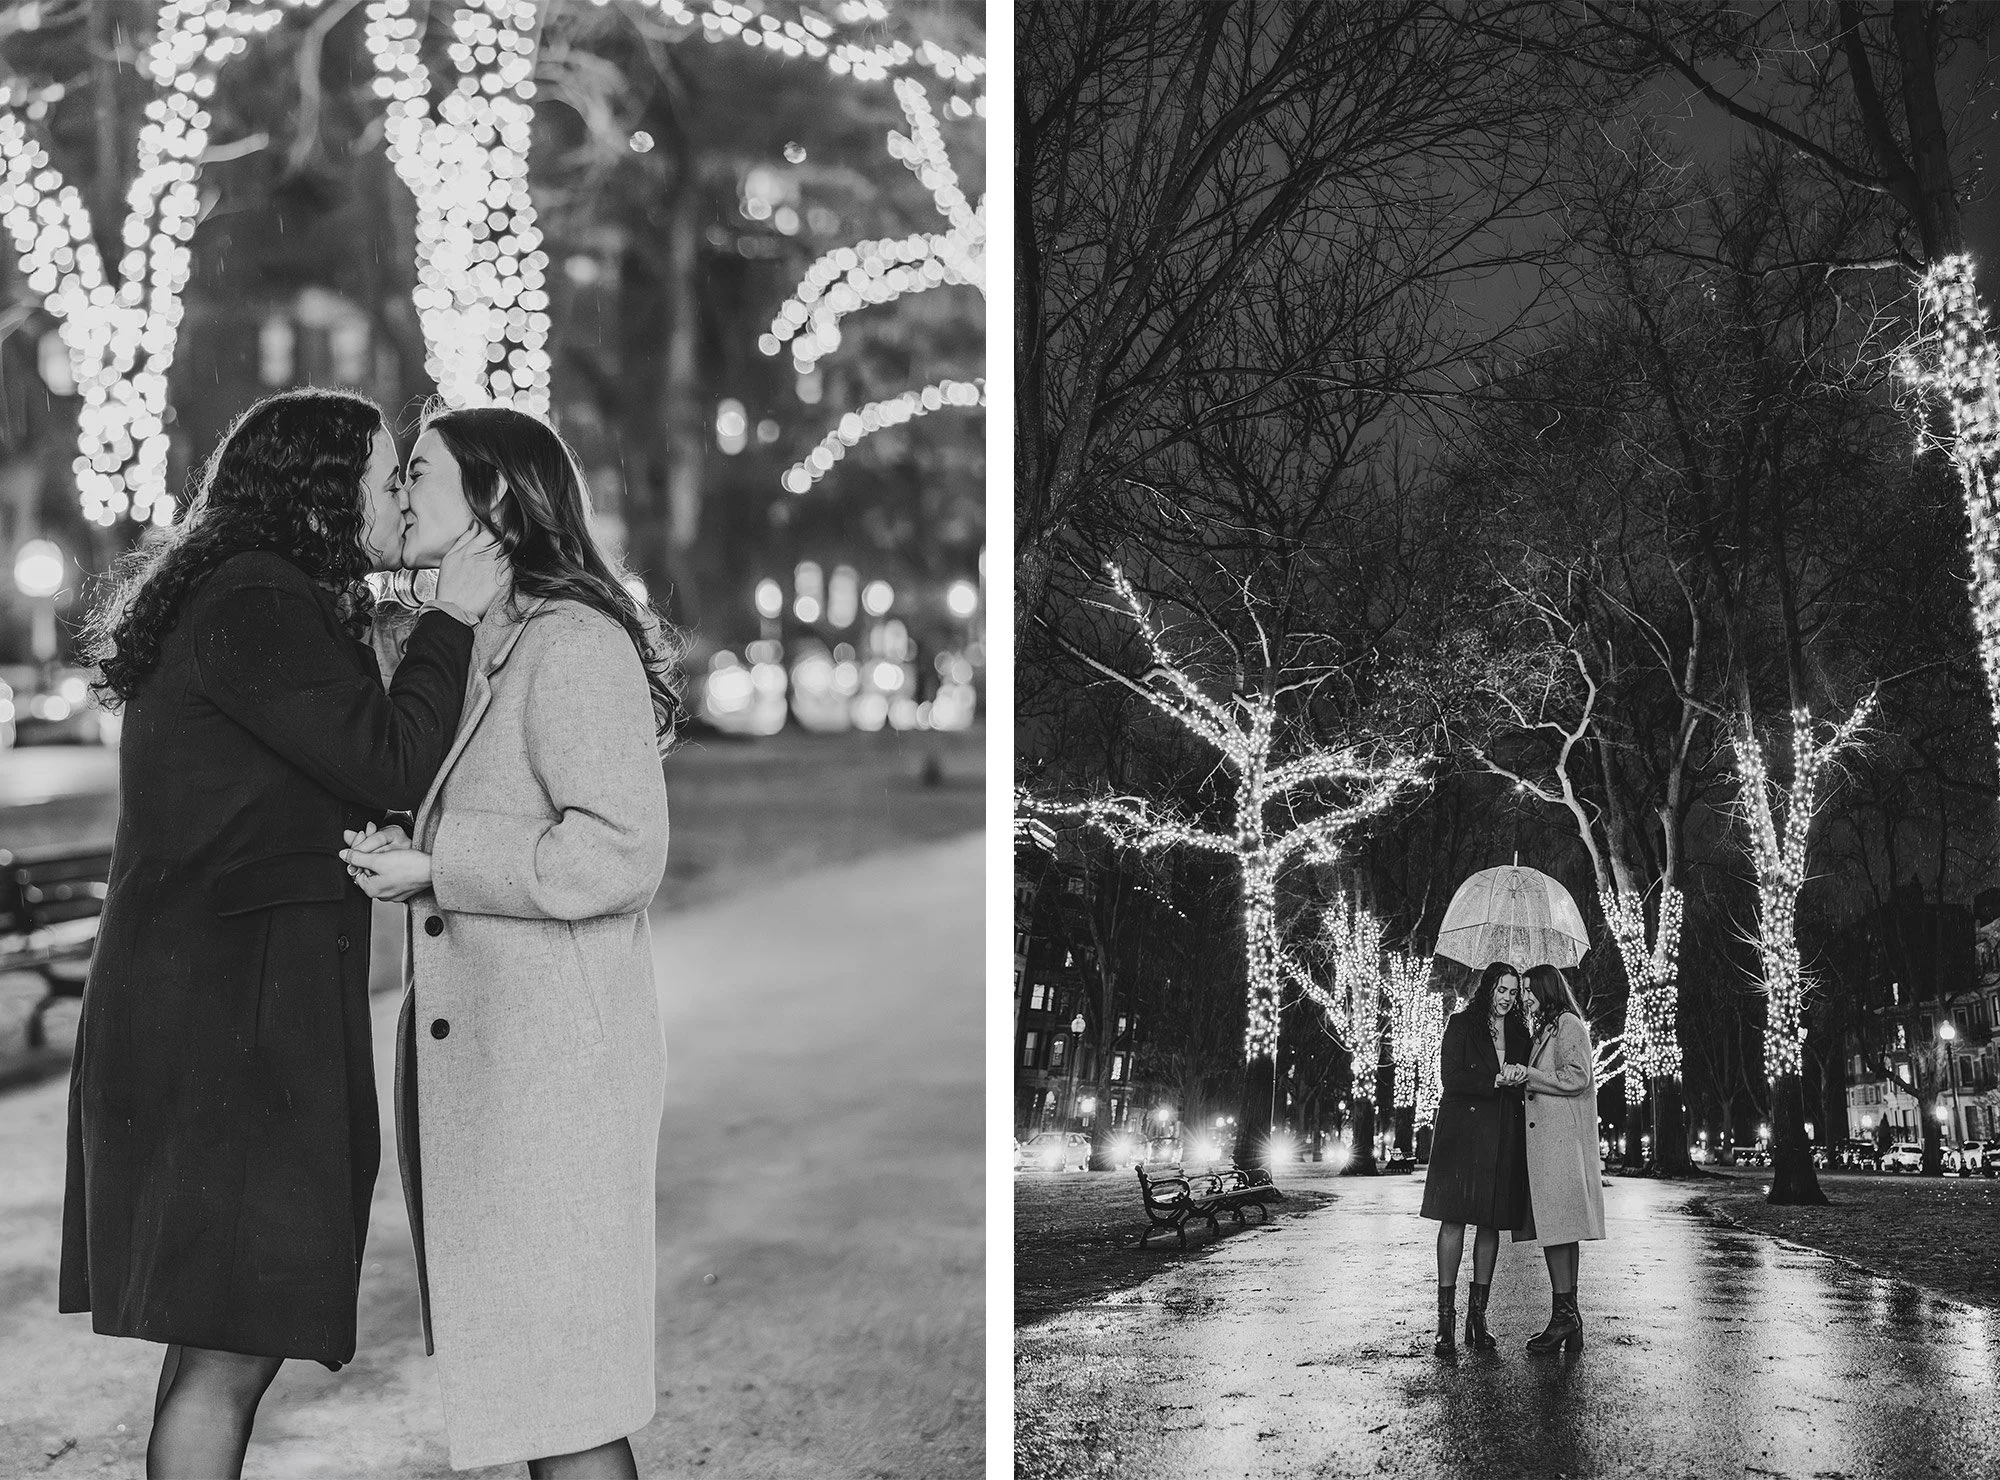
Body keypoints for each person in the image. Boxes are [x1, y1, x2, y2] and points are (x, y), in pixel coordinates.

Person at [59, 387, 507, 1480]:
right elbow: (389, 762)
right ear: (323, 487)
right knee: (228, 1347)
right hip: (225, 1027)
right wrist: (449, 619)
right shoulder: (254, 602)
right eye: (387, 472)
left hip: (226, 1009)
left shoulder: (257, 596)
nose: (400, 494)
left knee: (219, 1339)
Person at [341, 404, 680, 1479]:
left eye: (419, 473)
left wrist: (441, 865)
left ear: (492, 498)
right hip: (497, 1073)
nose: (399, 493)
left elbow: (621, 849)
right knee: (542, 1392)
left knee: (562, 1393)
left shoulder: (573, 641)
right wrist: (418, 841)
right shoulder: (491, 636)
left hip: (553, 1082)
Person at [1418, 962, 1530, 1355]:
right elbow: (1451, 1078)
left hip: (1502, 1134)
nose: (1507, 998)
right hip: (1463, 1136)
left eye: (1513, 992)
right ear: (1488, 989)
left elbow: (1526, 1078)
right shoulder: (1461, 1024)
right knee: (1454, 1219)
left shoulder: (1519, 1031)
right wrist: (1494, 1080)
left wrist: (1519, 1076)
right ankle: (1444, 1323)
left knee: (1490, 1223)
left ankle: (1477, 1319)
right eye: (1502, 989)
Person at [1512, 962, 1607, 1353]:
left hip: (1562, 1147)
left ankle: (1564, 1317)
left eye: (1530, 989)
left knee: (1558, 1231)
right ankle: (1569, 1317)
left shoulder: (1568, 1024)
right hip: (1553, 1146)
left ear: (1548, 989)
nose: (1525, 997)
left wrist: (1529, 1077)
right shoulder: (1549, 1026)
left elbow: (1577, 1076)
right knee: (1561, 1231)